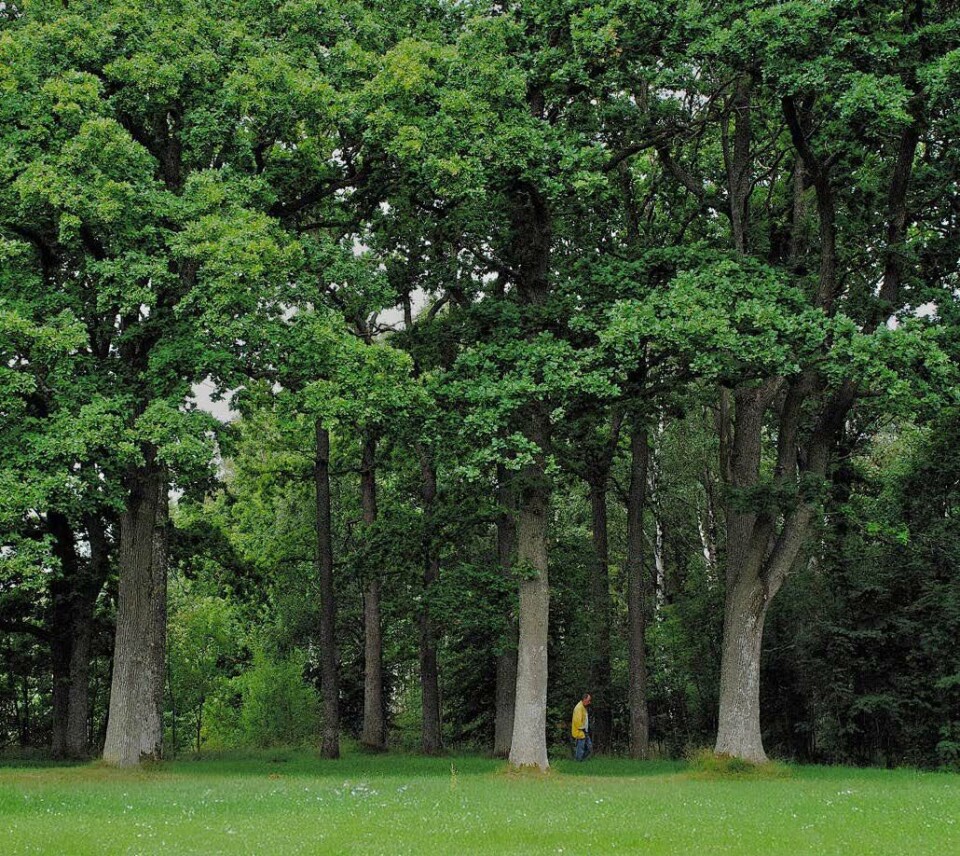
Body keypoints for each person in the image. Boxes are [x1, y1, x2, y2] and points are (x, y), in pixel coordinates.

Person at [571, 692, 592, 761]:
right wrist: (583, 729)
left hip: (584, 731)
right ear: (584, 699)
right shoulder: (578, 708)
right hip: (580, 732)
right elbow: (577, 721)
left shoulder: (583, 707)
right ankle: (578, 762)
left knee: (589, 747)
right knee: (580, 749)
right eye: (588, 700)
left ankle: (581, 760)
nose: (589, 702)